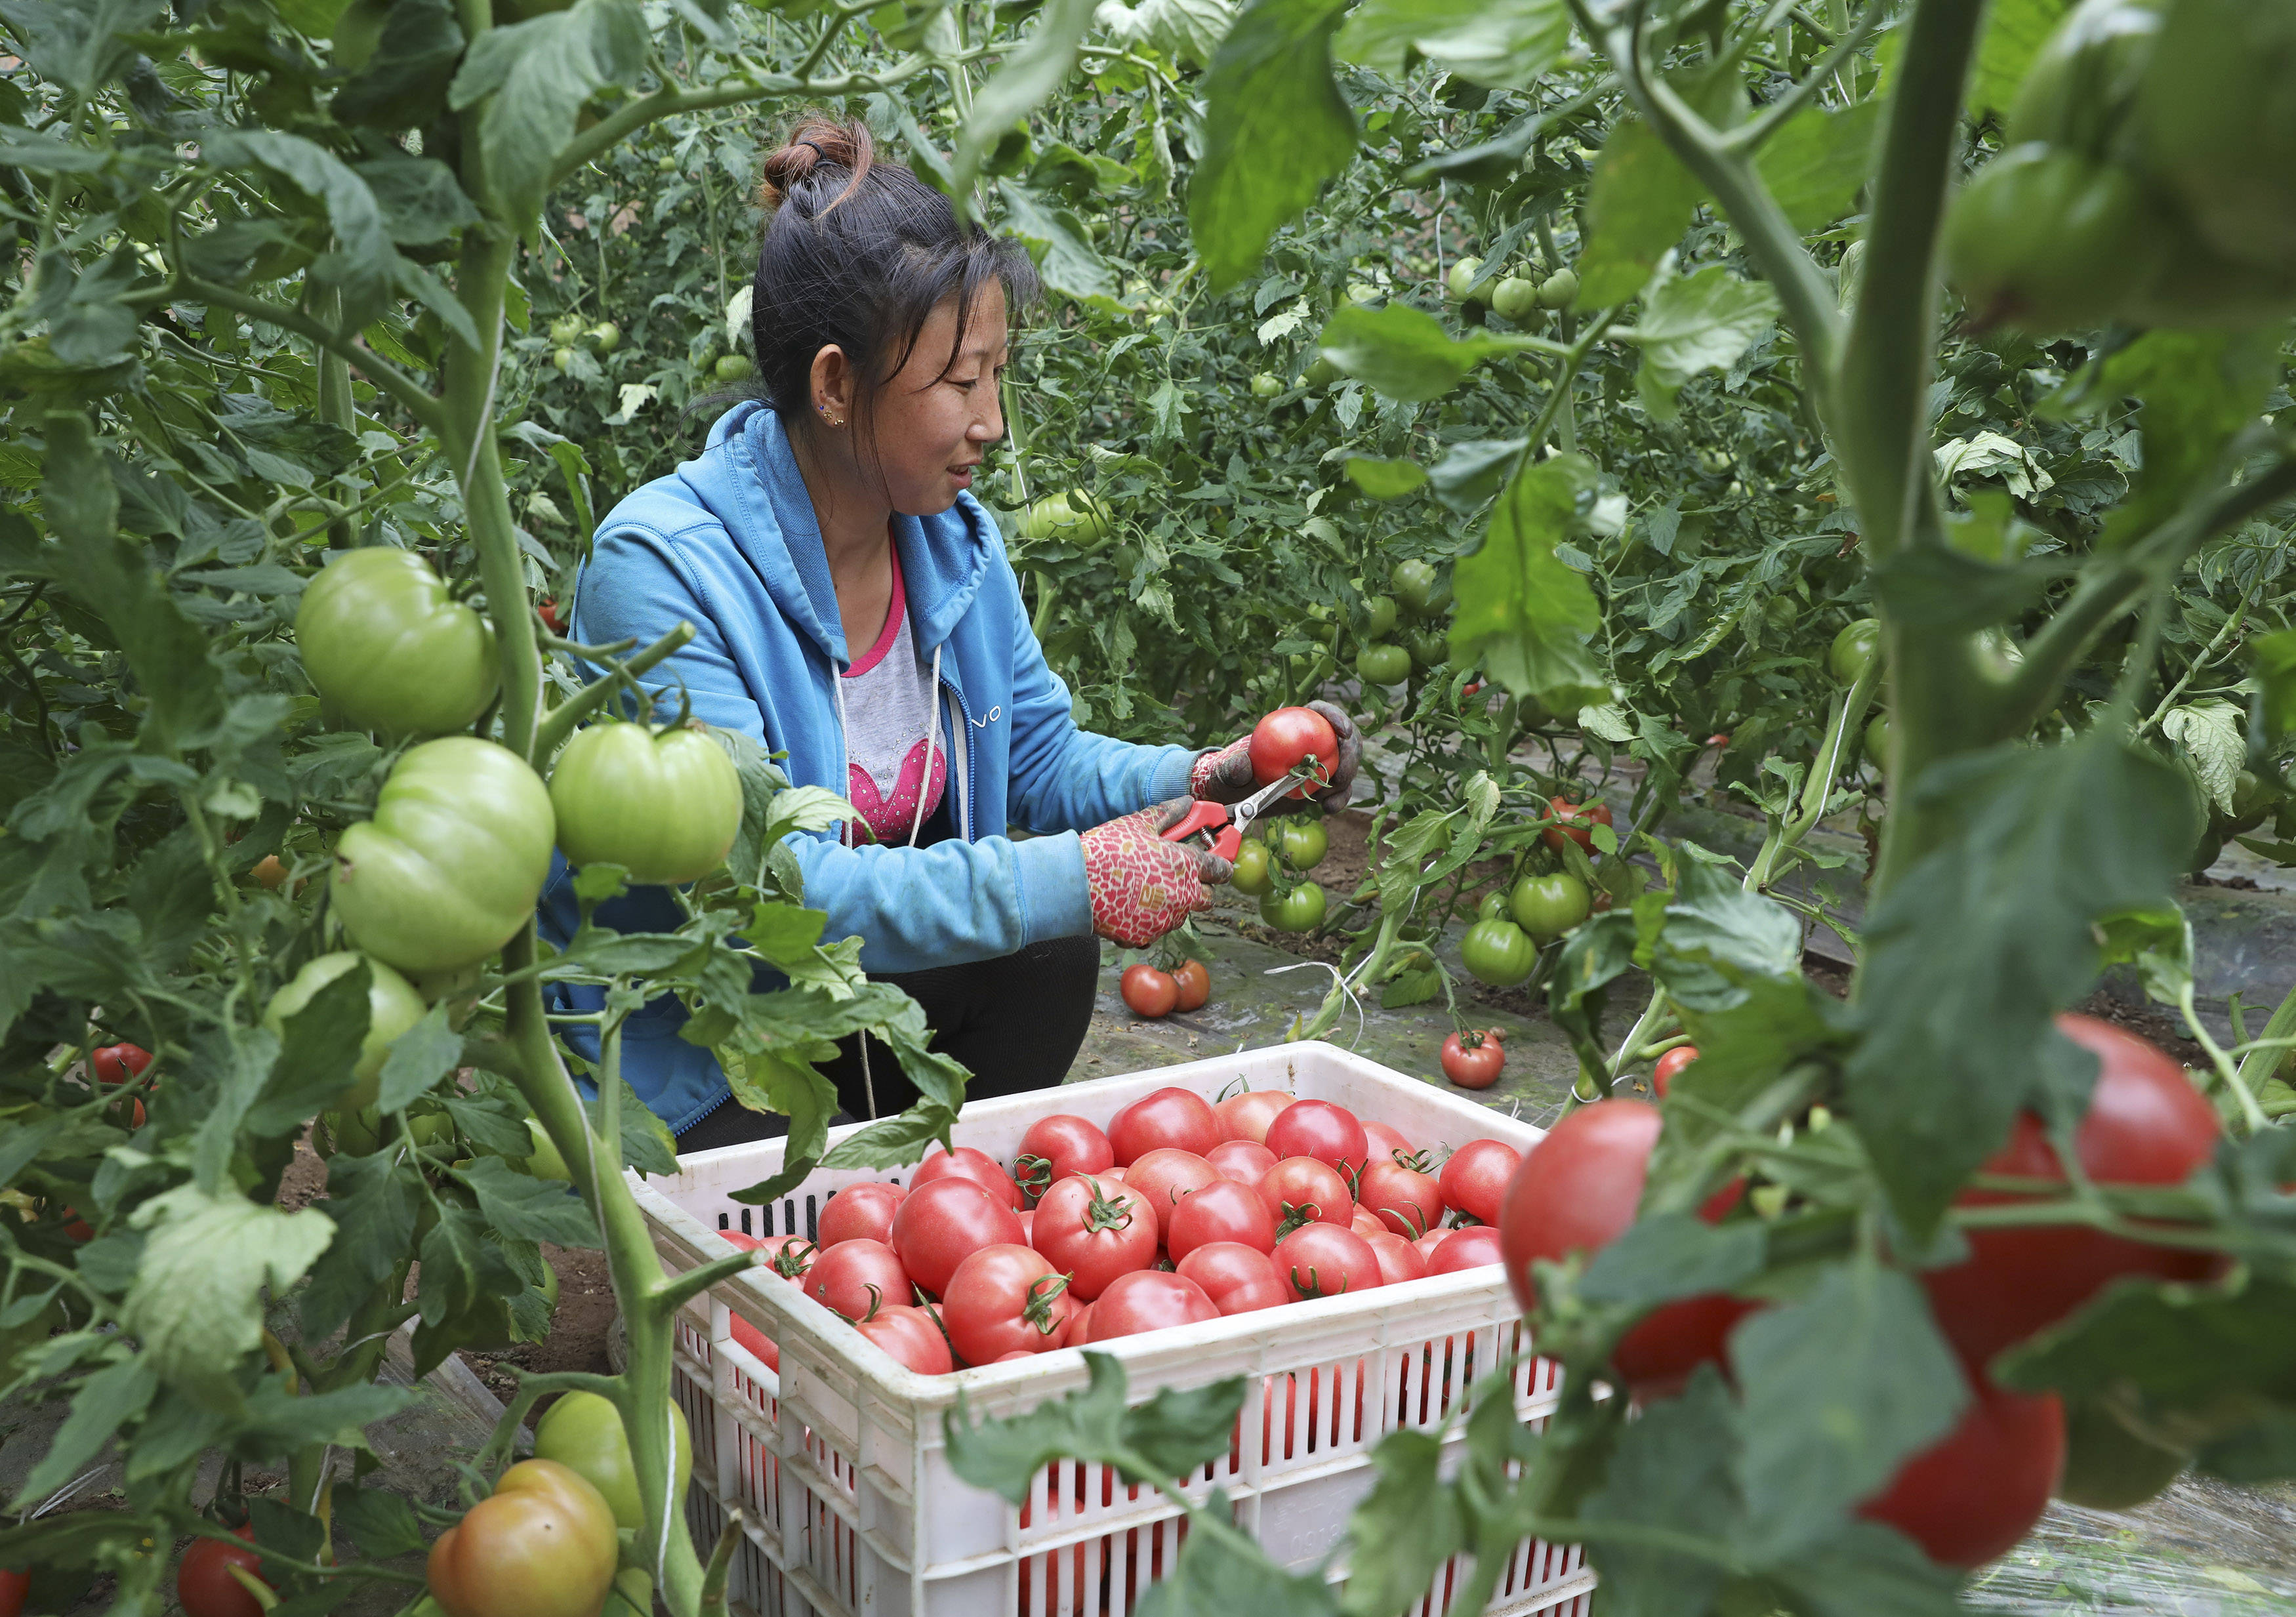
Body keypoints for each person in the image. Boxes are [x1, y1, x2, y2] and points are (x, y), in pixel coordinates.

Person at [539, 117, 1360, 1151]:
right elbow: (778, 884)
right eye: (960, 383)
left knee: (1044, 954)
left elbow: (1039, 758)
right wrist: (1076, 874)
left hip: (844, 1004)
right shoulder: (661, 573)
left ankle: (908, 1200)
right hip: (703, 1037)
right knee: (1041, 911)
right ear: (837, 385)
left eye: (997, 375)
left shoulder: (947, 543)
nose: (994, 421)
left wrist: (1212, 773)